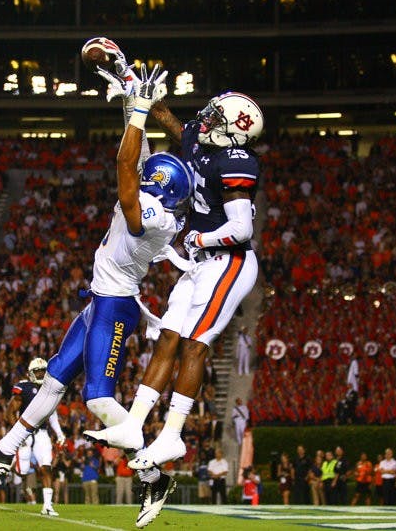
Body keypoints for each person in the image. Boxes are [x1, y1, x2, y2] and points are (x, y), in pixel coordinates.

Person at [0, 63, 191, 529]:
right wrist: (132, 101)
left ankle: (153, 474)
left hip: (115, 305)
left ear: (159, 188)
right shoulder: (157, 200)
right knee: (55, 378)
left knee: (98, 400)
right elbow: (138, 155)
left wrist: (139, 110)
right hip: (101, 300)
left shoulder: (155, 216)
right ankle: (3, 450)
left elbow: (128, 165)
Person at [86, 78, 263, 478]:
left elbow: (241, 229)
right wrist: (137, 89)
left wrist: (200, 236)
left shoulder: (237, 162)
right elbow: (172, 121)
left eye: (217, 116)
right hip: (202, 260)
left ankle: (173, 433)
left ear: (235, 129)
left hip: (229, 261)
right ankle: (134, 423)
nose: (206, 119)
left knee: (195, 344)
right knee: (168, 335)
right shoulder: (204, 144)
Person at [7, 358, 65, 516]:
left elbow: (51, 413)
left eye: (42, 371)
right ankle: (12, 463)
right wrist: (18, 433)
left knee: (46, 467)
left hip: (42, 433)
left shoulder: (50, 388)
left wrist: (59, 434)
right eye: (37, 371)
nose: (40, 374)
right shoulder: (24, 387)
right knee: (22, 470)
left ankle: (47, 505)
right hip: (26, 432)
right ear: (31, 373)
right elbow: (10, 412)